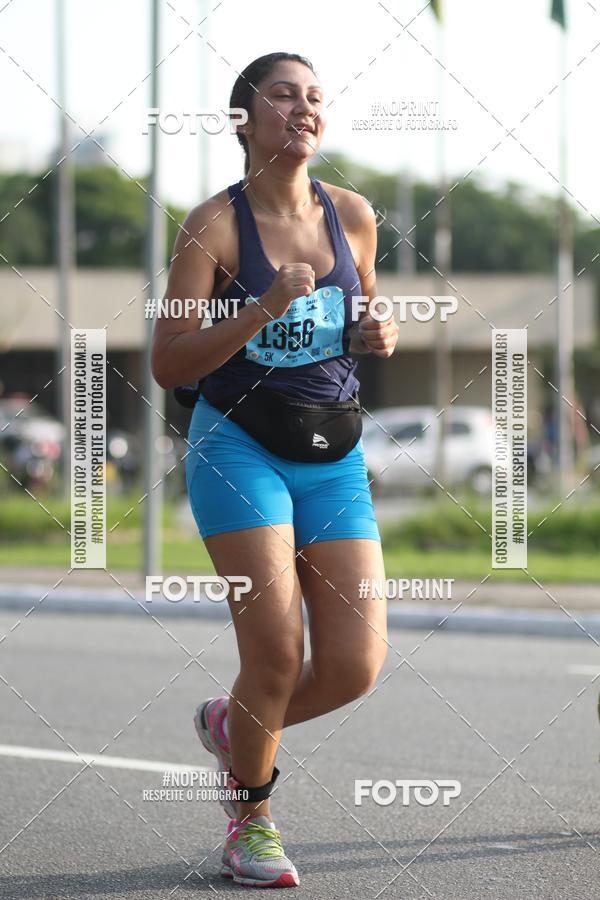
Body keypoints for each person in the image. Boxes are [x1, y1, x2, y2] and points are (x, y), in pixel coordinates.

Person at [151, 51, 399, 888]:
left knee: (357, 666)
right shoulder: (212, 227)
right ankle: (250, 822)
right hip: (238, 447)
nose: (305, 107)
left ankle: (232, 725)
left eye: (316, 96)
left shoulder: (354, 215)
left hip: (333, 451)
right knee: (274, 654)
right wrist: (261, 307)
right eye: (284, 95)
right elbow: (167, 361)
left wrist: (377, 334)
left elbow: (364, 311)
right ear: (244, 120)